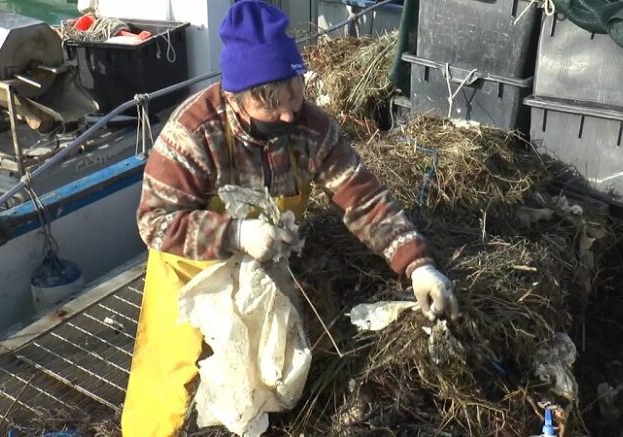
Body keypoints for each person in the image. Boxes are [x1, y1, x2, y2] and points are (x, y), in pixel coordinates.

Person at [120, 1, 459, 435]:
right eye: (271, 107)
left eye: (294, 96)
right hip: (189, 270)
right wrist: (236, 233)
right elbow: (155, 222)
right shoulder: (193, 134)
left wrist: (417, 264)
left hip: (263, 268)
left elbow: (363, 198)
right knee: (170, 387)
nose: (287, 115)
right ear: (236, 98)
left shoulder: (309, 128)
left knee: (263, 378)